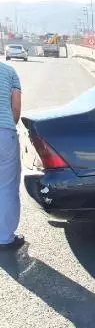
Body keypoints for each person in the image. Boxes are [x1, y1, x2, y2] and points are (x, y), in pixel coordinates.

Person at [0, 61, 24, 250]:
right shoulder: (9, 72)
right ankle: (5, 237)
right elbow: (15, 108)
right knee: (6, 187)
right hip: (3, 134)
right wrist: (10, 124)